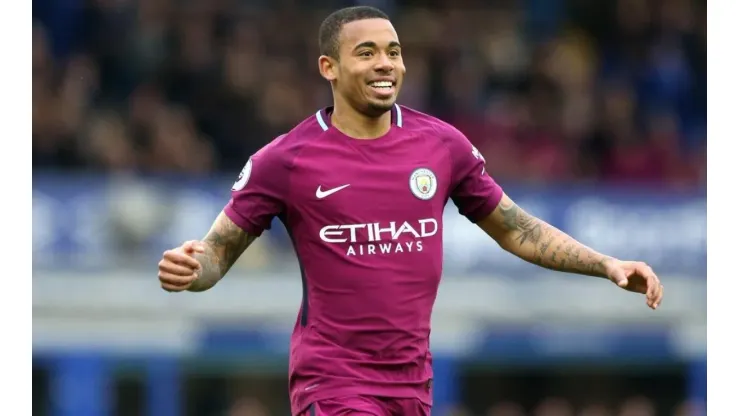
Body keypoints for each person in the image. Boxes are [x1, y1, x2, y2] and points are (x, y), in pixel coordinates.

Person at [156, 6, 664, 416]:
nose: (386, 64)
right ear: (328, 68)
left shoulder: (441, 145)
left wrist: (607, 265)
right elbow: (217, 255)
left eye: (394, 52)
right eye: (367, 52)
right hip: (332, 383)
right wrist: (192, 268)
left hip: (413, 386)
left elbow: (517, 229)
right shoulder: (285, 160)